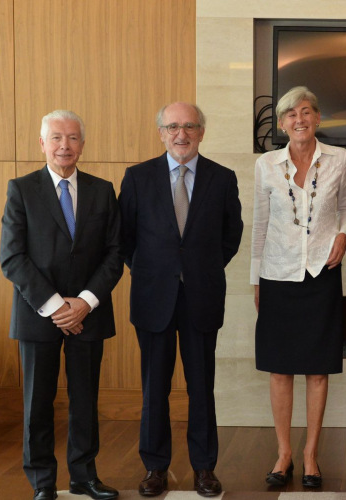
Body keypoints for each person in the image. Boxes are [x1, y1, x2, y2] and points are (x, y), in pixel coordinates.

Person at [119, 102, 243, 497]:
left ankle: (205, 468)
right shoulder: (137, 177)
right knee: (154, 388)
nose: (181, 134)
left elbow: (231, 236)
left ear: (202, 132)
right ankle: (155, 468)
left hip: (202, 297)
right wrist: (158, 272)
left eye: (189, 126)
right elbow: (124, 239)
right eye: (172, 126)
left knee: (201, 387)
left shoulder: (222, 179)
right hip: (153, 297)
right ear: (160, 133)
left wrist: (198, 270)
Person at [0, 110, 123, 500]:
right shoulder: (21, 189)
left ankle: (84, 476)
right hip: (38, 316)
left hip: (89, 313)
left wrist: (84, 303)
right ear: (42, 143)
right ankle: (42, 482)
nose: (64, 145)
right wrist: (56, 307)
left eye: (72, 138)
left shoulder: (103, 190)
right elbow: (12, 257)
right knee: (38, 402)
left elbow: (115, 253)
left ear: (82, 145)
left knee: (85, 400)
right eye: (56, 138)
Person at [251, 86, 346, 489]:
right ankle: (284, 453)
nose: (300, 120)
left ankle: (310, 454)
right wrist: (256, 278)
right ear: (281, 124)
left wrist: (344, 235)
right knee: (279, 368)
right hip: (277, 274)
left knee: (317, 368)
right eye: (291, 114)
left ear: (317, 118)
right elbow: (260, 223)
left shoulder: (339, 159)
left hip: (321, 273)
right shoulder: (266, 164)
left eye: (306, 111)